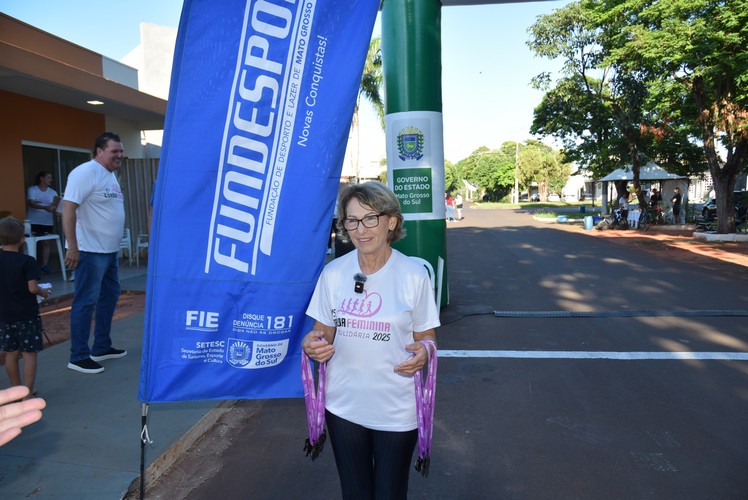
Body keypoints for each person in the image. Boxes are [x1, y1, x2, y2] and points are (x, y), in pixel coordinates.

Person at [302, 181, 440, 499]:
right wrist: (312, 345)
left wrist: (424, 352)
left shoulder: (413, 275)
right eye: (352, 220)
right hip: (343, 405)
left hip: (396, 407)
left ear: (391, 221)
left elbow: (427, 337)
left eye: (370, 218)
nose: (360, 229)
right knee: (355, 494)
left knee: (390, 494)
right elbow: (320, 333)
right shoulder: (334, 274)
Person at [62, 132, 127, 374]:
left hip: (109, 252)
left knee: (110, 296)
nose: (120, 155)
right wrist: (72, 246)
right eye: (115, 151)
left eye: (121, 151)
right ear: (99, 151)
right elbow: (68, 208)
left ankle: (101, 346)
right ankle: (78, 356)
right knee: (85, 301)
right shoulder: (85, 172)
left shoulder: (109, 175)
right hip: (90, 251)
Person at [0, 218, 51, 396]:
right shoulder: (27, 261)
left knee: (10, 353)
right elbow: (32, 288)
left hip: (4, 315)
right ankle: (27, 391)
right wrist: (43, 293)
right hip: (26, 314)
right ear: (22, 239)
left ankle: (16, 390)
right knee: (29, 354)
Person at [26, 171, 60, 274]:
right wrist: (45, 207)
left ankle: (44, 265)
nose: (51, 180)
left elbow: (55, 204)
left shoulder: (53, 192)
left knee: (46, 242)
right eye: (49, 178)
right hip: (33, 221)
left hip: (47, 222)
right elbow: (31, 203)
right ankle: (31, 266)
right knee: (32, 242)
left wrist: (54, 208)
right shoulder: (32, 189)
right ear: (42, 178)